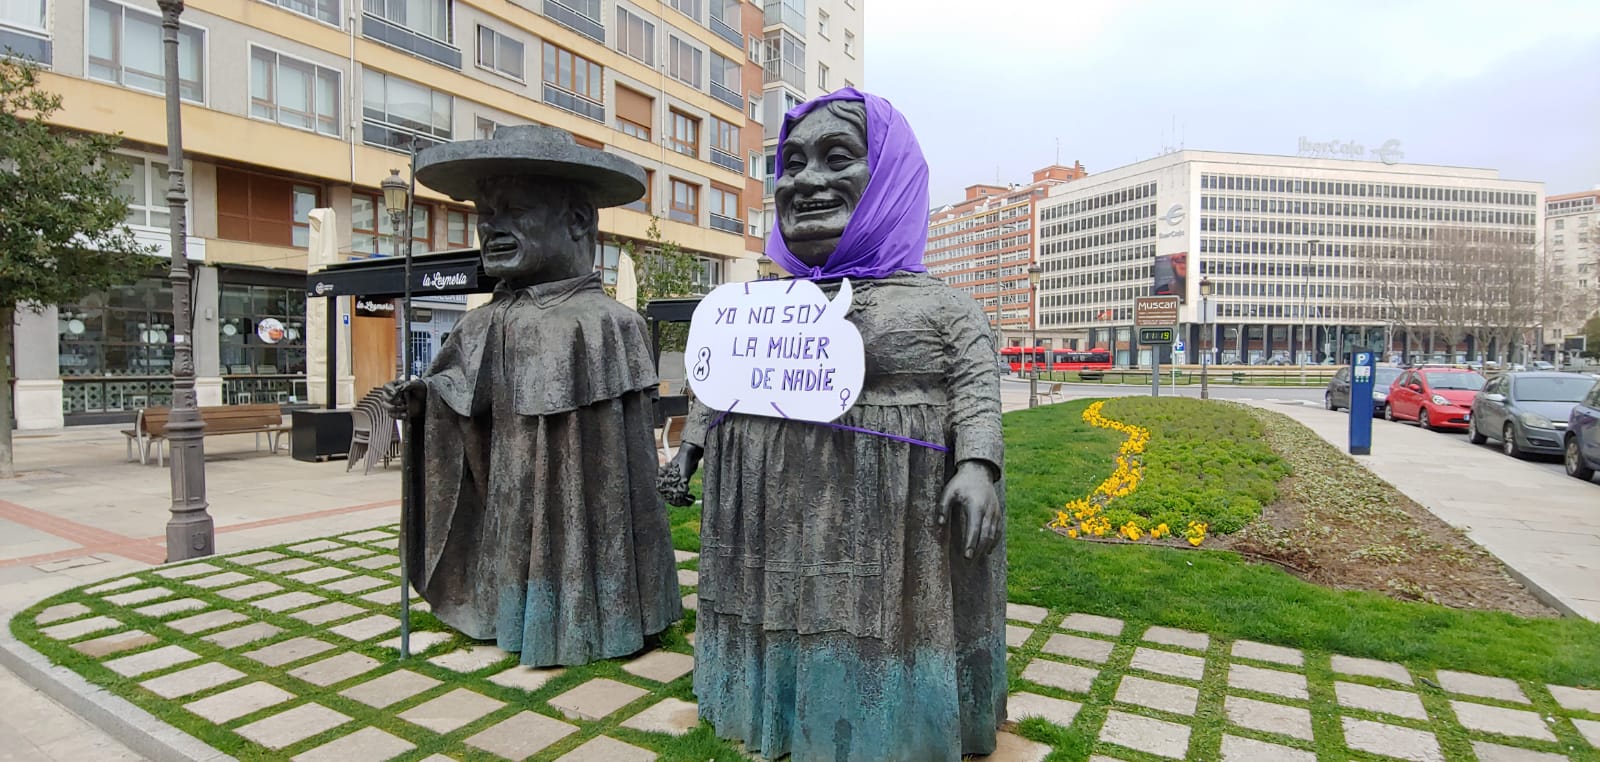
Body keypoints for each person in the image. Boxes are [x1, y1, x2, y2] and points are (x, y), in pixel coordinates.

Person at [659, 88, 1006, 761]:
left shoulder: (945, 308)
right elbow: (723, 381)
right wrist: (690, 452)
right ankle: (776, 705)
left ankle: (894, 723)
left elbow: (976, 389)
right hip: (780, 507)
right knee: (789, 605)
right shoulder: (760, 303)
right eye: (792, 163)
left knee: (875, 617)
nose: (807, 180)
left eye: (837, 158)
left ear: (891, 179)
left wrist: (976, 466)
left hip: (893, 511)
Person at [387, 125, 681, 667]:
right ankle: (513, 612)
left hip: (592, 515)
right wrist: (422, 400)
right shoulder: (481, 323)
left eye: (516, 210)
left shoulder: (610, 324)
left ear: (577, 220)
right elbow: (457, 401)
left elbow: (633, 472)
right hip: (510, 497)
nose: (492, 226)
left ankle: (606, 616)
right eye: (485, 214)